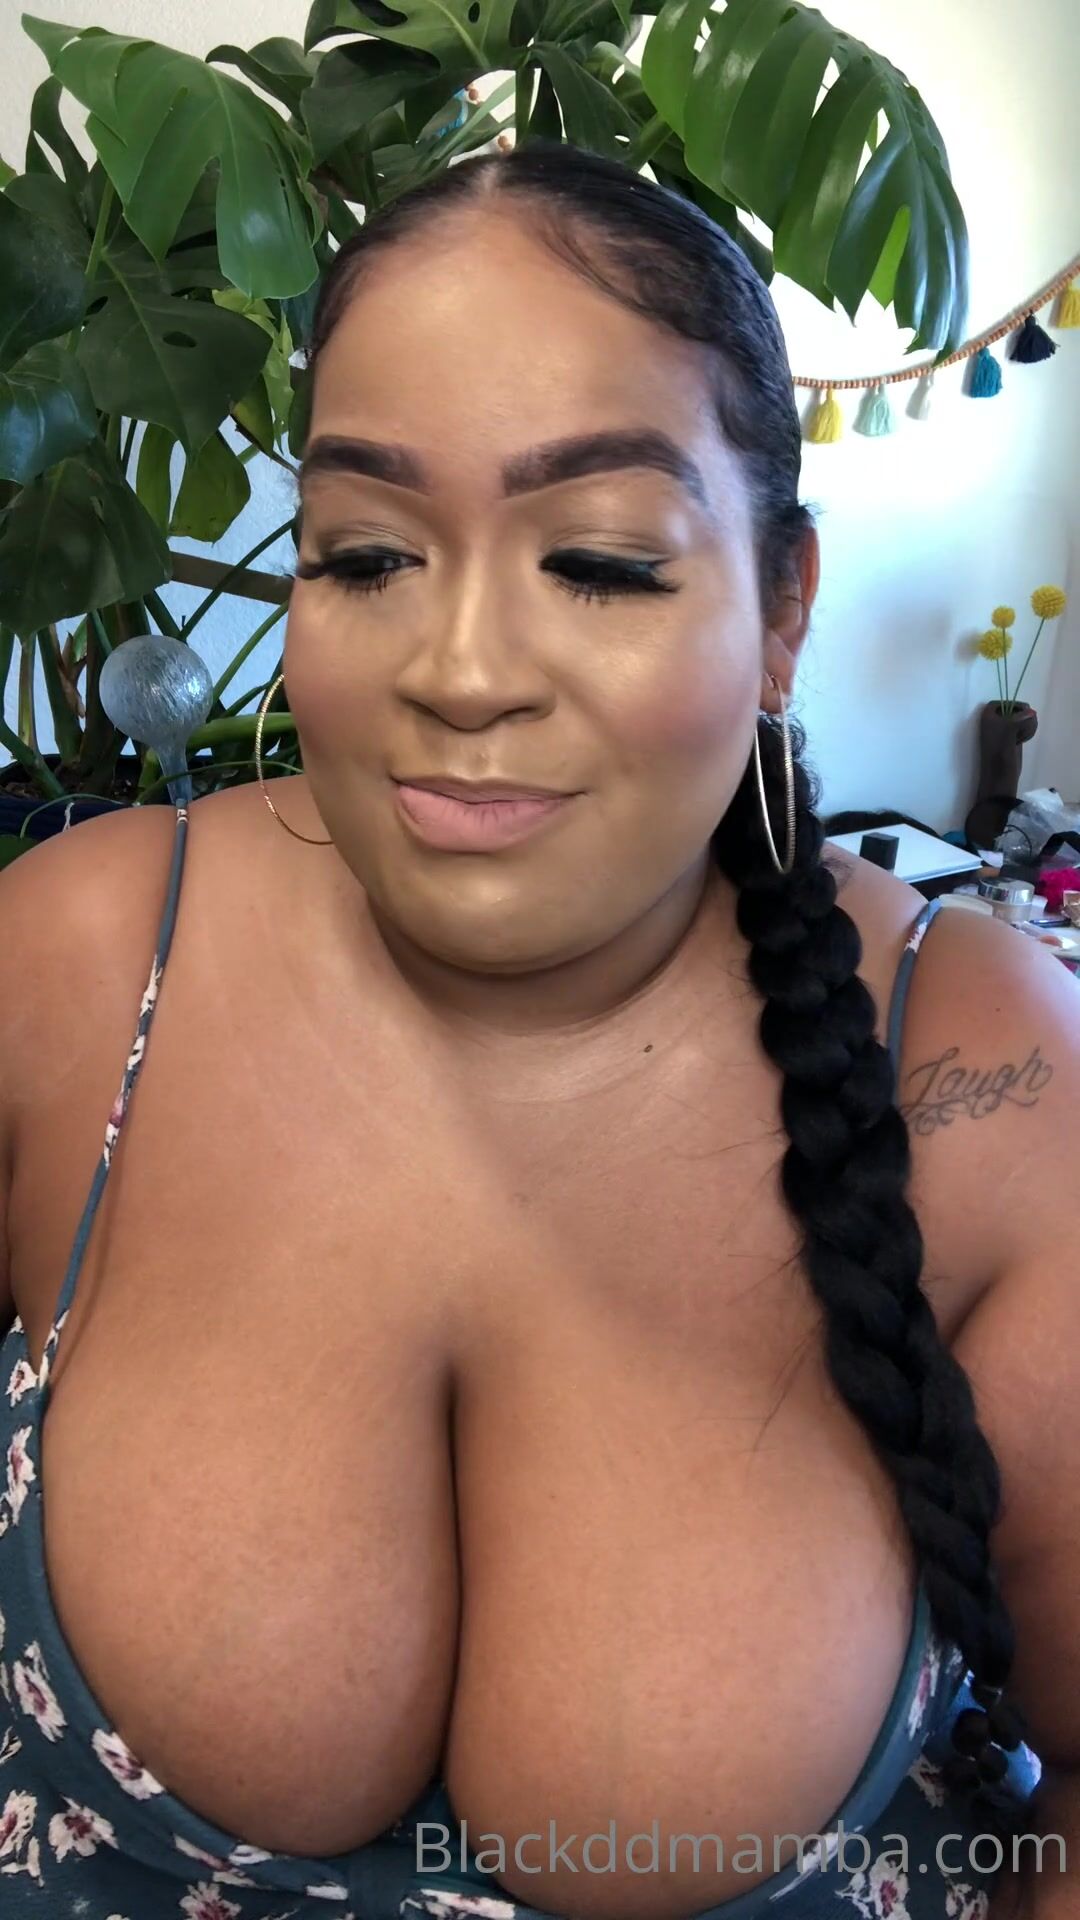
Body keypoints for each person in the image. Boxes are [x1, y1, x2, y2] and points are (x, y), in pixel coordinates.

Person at [0, 140, 1077, 1920]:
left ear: (783, 610)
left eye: (596, 560)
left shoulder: (988, 1090)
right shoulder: (80, 967)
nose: (462, 669)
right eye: (365, 555)